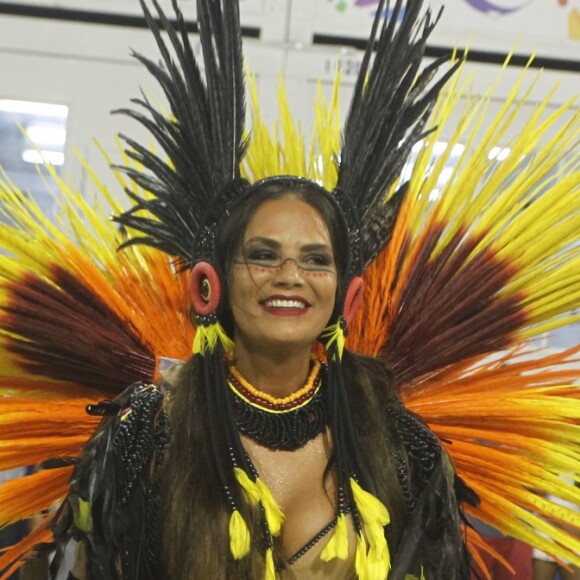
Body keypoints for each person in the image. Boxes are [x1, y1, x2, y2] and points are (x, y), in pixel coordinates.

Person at [0, 0, 579, 578]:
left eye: (315, 260)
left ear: (345, 296)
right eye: (262, 255)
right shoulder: (147, 435)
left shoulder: (397, 442)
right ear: (210, 285)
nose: (290, 276)